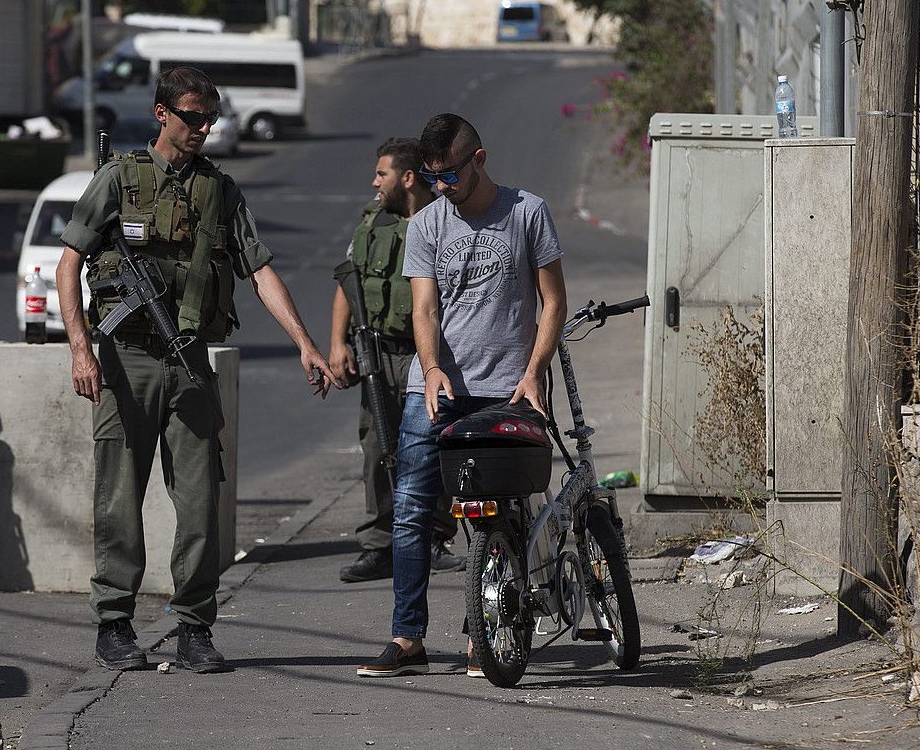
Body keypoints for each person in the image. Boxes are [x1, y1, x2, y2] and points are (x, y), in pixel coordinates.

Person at [55, 66, 337, 674]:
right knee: (119, 500)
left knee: (201, 501)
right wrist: (80, 349)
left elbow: (259, 271)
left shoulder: (220, 190)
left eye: (209, 119)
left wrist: (304, 343)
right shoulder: (118, 180)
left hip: (190, 362)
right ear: (162, 113)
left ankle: (194, 628)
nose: (203, 129)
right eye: (192, 118)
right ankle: (115, 623)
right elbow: (69, 264)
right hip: (126, 361)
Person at [355, 114, 567, 677]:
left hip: (508, 389)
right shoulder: (426, 224)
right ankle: (407, 639)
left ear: (479, 159)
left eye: (448, 175)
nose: (441, 187)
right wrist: (428, 369)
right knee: (410, 509)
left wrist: (534, 371)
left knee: (505, 512)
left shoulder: (528, 213)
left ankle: (488, 634)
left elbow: (553, 303)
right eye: (431, 176)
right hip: (440, 390)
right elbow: (423, 308)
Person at [330, 138, 464, 583]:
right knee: (377, 448)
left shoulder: (443, 221)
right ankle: (379, 545)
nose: (374, 182)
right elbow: (349, 284)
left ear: (407, 178)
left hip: (425, 356)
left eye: (382, 174)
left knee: (432, 448)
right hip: (379, 352)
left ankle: (434, 539)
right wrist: (337, 345)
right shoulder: (373, 223)